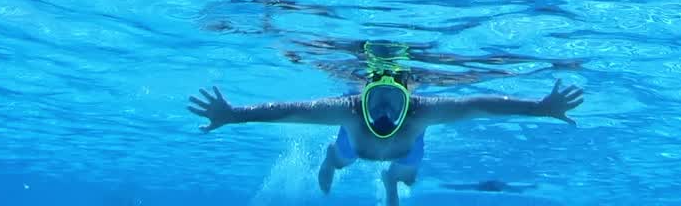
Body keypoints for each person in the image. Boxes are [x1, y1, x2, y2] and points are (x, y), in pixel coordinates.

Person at [188, 72, 584, 205]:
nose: (384, 111)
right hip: (355, 146)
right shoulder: (346, 110)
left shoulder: (422, 111)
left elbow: (479, 105)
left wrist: (540, 107)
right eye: (375, 99)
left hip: (405, 149)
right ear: (360, 97)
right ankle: (330, 161)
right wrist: (234, 115)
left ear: (409, 99)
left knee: (404, 175)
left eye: (394, 102)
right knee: (340, 158)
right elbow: (290, 110)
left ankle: (390, 181)